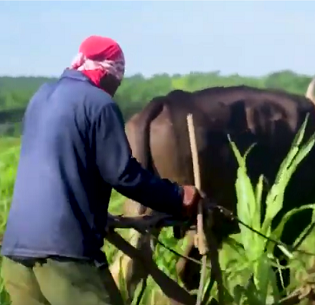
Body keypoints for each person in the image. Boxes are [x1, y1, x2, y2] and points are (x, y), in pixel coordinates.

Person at [0, 35, 203, 305]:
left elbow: (62, 162)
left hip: (15, 252)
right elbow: (123, 174)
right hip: (66, 256)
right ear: (109, 72)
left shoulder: (41, 97)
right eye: (118, 79)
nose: (117, 86)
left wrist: (93, 212)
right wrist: (178, 196)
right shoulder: (99, 104)